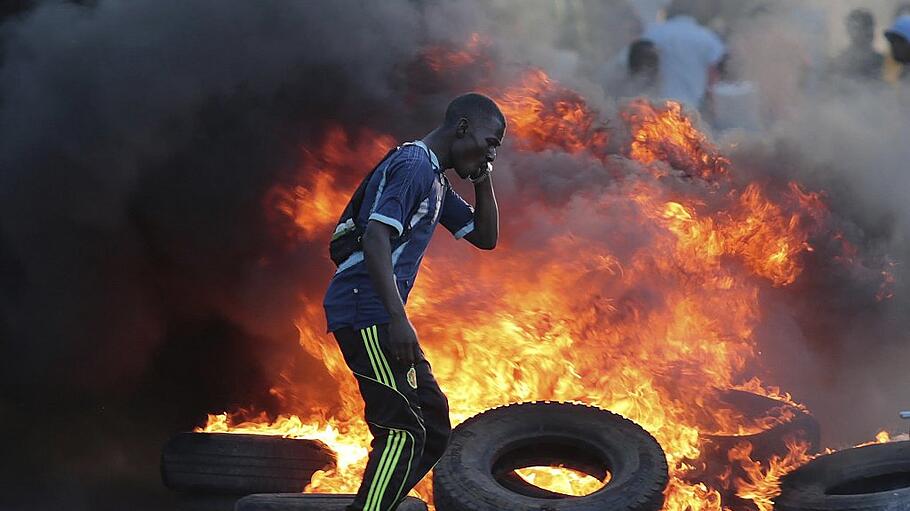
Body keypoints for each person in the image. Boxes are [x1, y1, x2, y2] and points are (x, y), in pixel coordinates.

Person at [323, 93, 505, 511]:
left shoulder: (436, 181)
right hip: (364, 309)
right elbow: (375, 236)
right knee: (401, 430)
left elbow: (485, 237)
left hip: (380, 314)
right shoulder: (414, 165)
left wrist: (482, 177)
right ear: (462, 127)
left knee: (435, 426)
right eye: (490, 141)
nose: (492, 152)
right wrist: (397, 319)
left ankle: (375, 505)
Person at [642, 0, 726, 109]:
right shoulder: (706, 37)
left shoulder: (653, 33)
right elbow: (717, 72)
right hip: (692, 110)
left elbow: (625, 65)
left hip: (657, 110)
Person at [831, 9, 884, 81]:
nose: (867, 33)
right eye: (860, 28)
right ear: (849, 31)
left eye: (869, 28)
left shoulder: (882, 62)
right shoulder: (839, 64)